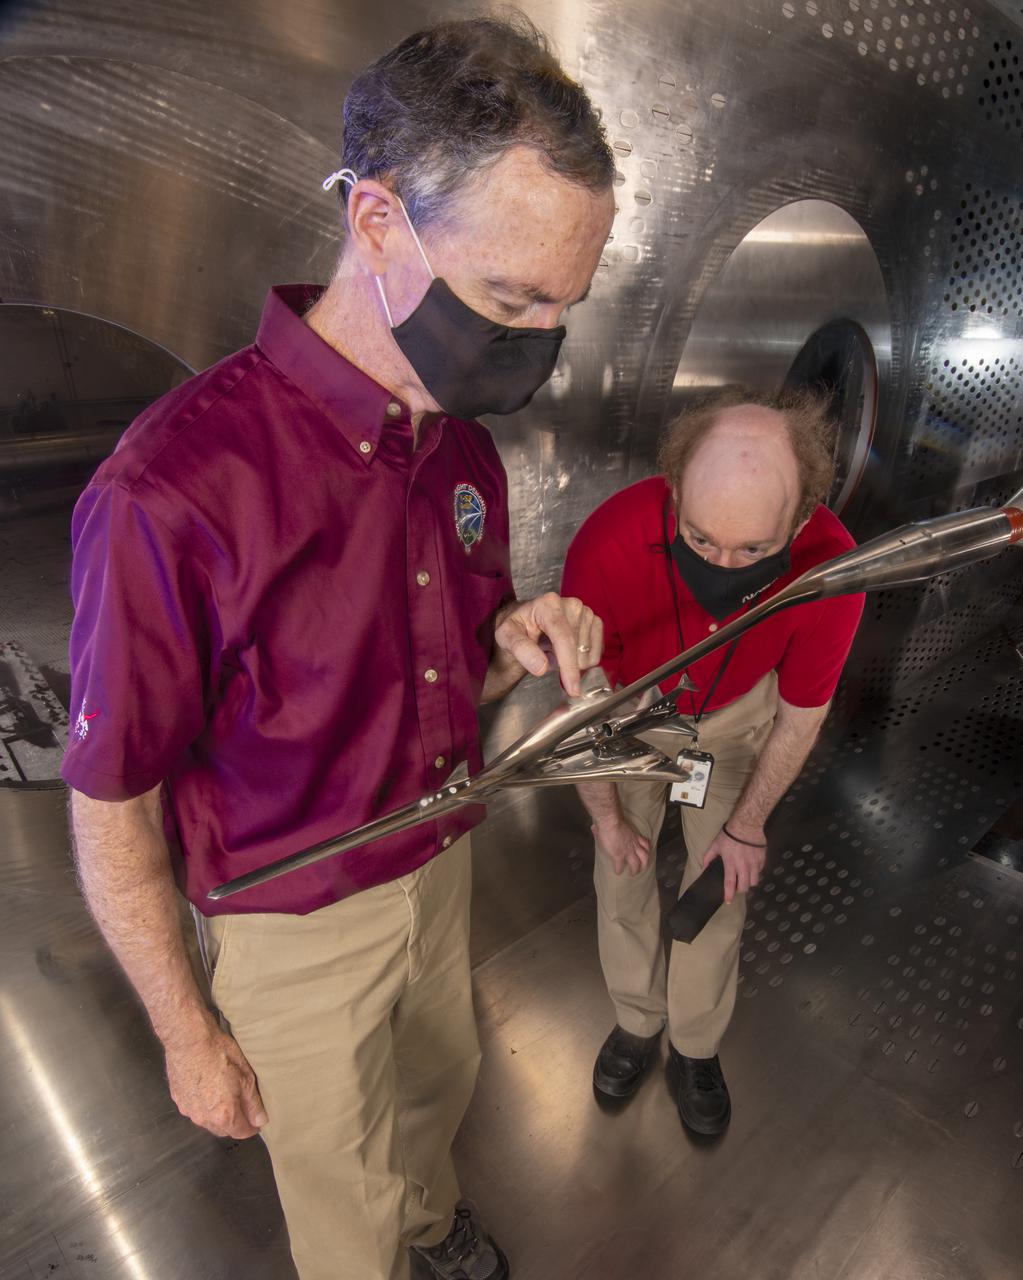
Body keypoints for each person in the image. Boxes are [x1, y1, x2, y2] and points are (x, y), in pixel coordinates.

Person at [62, 16, 615, 1280]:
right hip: (292, 913)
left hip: (439, 854)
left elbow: (444, 668)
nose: (534, 341)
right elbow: (113, 803)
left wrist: (509, 641)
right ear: (378, 224)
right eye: (511, 297)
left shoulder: (464, 446)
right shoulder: (172, 491)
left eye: (564, 307)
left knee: (440, 1083)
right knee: (341, 1186)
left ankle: (432, 1221)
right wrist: (186, 1029)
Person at [561, 386, 865, 1136]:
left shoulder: (833, 566)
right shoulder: (607, 541)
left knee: (718, 887)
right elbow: (580, 710)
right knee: (621, 872)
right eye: (699, 540)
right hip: (630, 715)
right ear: (673, 492)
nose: (724, 564)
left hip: (732, 727)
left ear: (799, 518)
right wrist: (603, 817)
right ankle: (636, 1021)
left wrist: (746, 828)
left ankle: (692, 1046)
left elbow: (800, 717)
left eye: (754, 550)